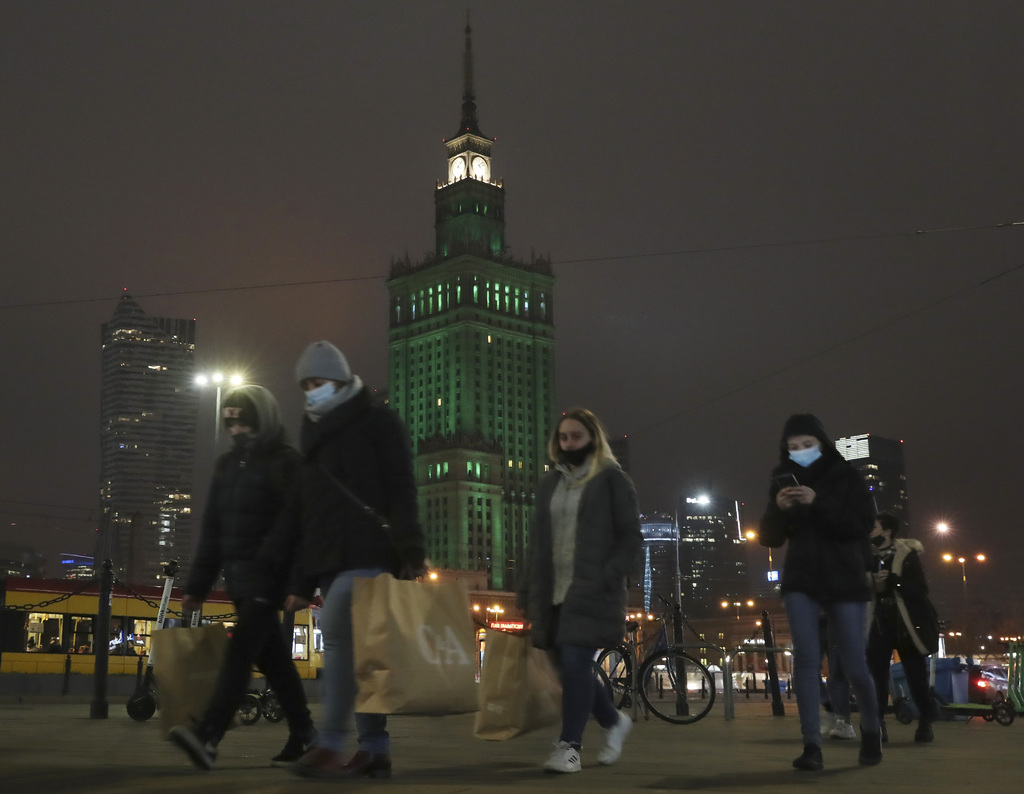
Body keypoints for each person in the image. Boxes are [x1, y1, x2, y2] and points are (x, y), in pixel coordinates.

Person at [265, 340, 425, 780]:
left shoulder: (378, 420)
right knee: (362, 657)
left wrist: (411, 548)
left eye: (317, 382)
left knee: (335, 630)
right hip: (330, 561)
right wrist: (301, 581)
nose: (311, 391)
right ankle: (374, 748)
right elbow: (309, 512)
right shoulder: (312, 430)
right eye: (305, 385)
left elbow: (401, 486)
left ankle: (331, 743)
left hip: (371, 553)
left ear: (338, 379)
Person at [169, 385, 316, 770]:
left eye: (243, 423)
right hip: (238, 581)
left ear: (262, 420)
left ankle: (208, 735)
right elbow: (213, 530)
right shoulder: (227, 466)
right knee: (275, 663)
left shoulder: (286, 462)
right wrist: (197, 586)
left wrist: (302, 583)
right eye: (230, 423)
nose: (236, 430)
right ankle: (306, 734)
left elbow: (305, 526)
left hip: (269, 578)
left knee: (238, 656)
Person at [518, 407, 643, 774]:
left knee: (575, 661)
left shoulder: (612, 479)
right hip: (552, 593)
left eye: (577, 436)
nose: (569, 442)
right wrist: (525, 591)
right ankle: (614, 721)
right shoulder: (549, 483)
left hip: (591, 591)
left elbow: (631, 538)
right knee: (569, 670)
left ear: (593, 439)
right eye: (564, 437)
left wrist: (607, 575)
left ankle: (569, 746)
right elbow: (537, 543)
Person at [758, 413, 882, 770]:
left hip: (845, 578)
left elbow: (861, 525)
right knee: (806, 660)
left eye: (807, 444)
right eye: (793, 447)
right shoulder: (781, 480)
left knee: (855, 664)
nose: (800, 451)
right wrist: (779, 509)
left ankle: (871, 729)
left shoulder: (846, 476)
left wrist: (818, 500)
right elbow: (769, 537)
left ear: (822, 444)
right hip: (802, 578)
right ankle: (811, 744)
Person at [867, 512, 939, 743]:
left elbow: (920, 590)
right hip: (877, 623)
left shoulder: (906, 554)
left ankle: (925, 722)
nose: (869, 530)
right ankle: (878, 725)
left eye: (873, 526)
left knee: (915, 675)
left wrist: (893, 580)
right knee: (876, 677)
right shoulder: (866, 555)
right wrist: (873, 583)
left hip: (905, 625)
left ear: (887, 531)